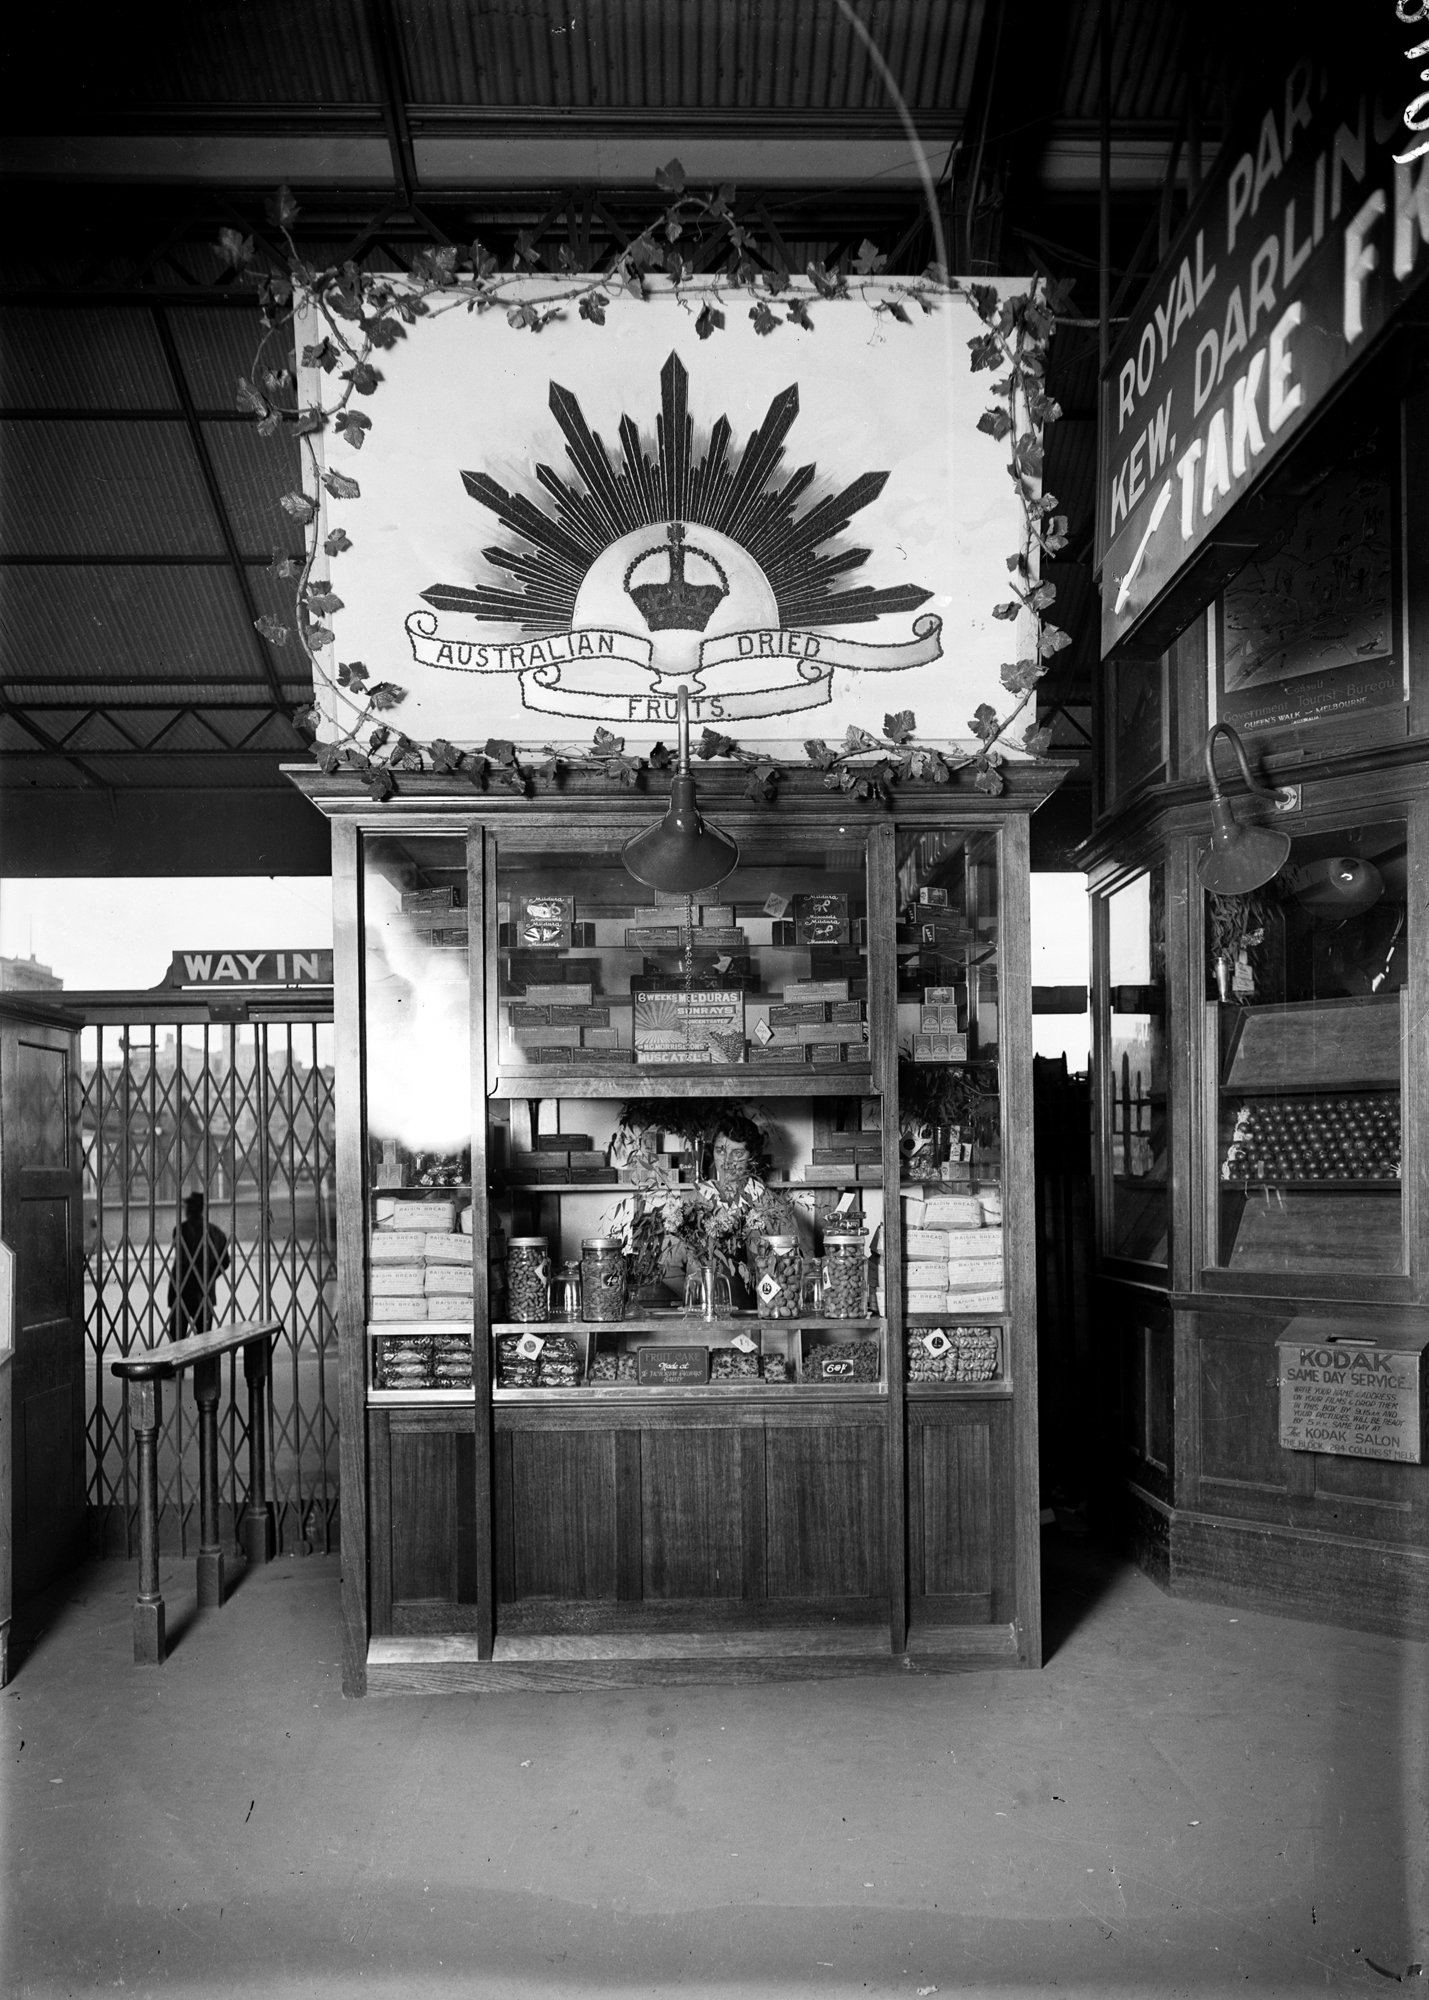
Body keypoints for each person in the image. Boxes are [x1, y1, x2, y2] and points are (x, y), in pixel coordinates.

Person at [167, 1191, 230, 1340]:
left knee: (177, 1340)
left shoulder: (181, 1229)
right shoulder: (217, 1233)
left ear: (192, 1209)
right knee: (204, 1340)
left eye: (187, 1206)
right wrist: (209, 1276)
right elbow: (225, 1262)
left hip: (182, 1290)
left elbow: (182, 1259)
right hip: (204, 1292)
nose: (185, 1210)